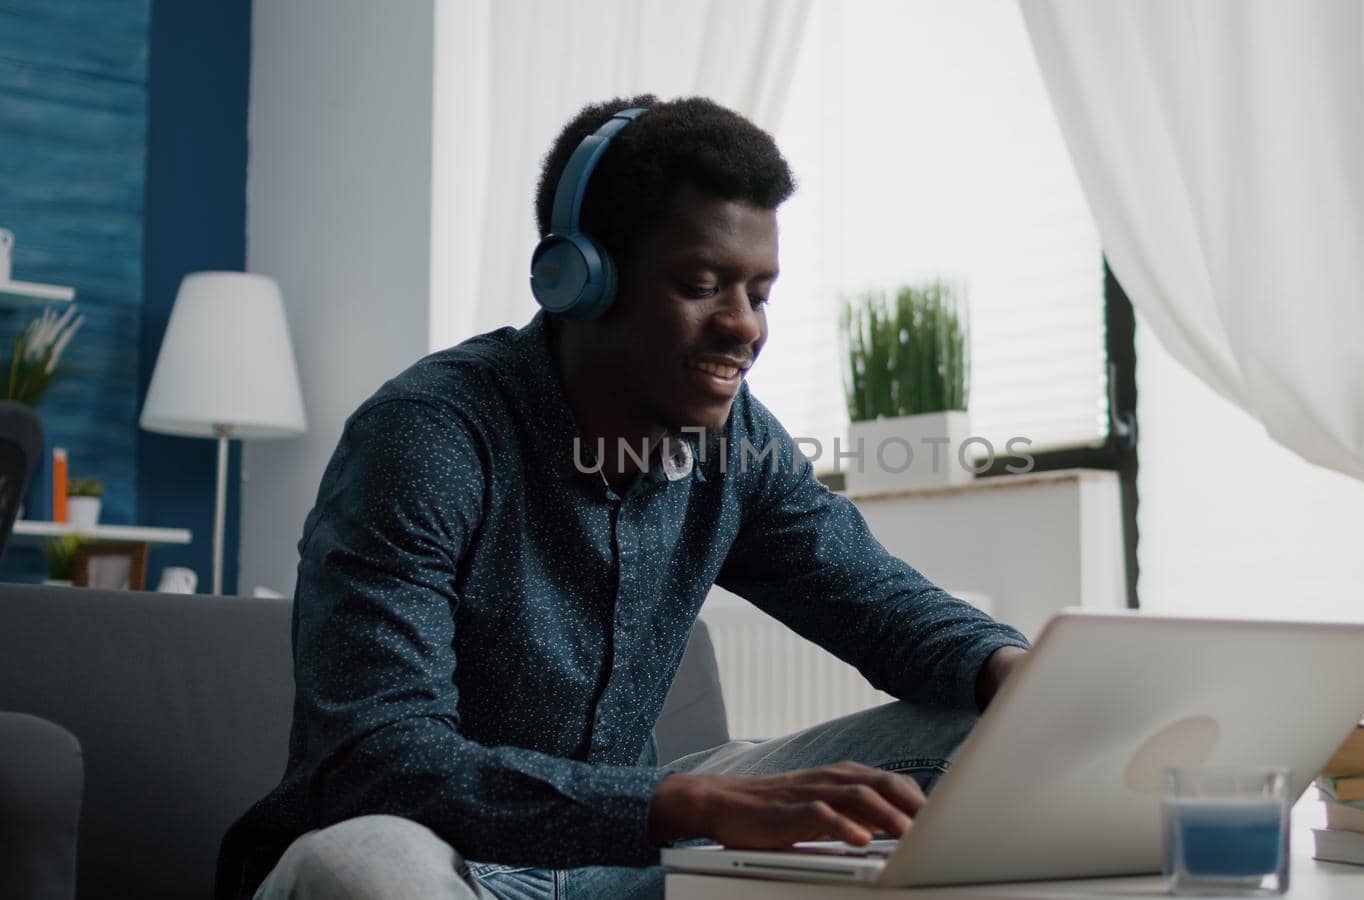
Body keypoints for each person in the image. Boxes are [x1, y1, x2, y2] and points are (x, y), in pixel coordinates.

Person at [216, 95, 1029, 900]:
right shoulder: (429, 437)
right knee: (363, 865)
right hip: (442, 857)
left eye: (760, 292)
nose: (744, 326)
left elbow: (873, 597)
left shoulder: (736, 442)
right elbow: (377, 759)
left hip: (621, 856)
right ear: (578, 281)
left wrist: (1015, 670)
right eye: (703, 284)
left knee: (980, 732)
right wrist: (677, 803)